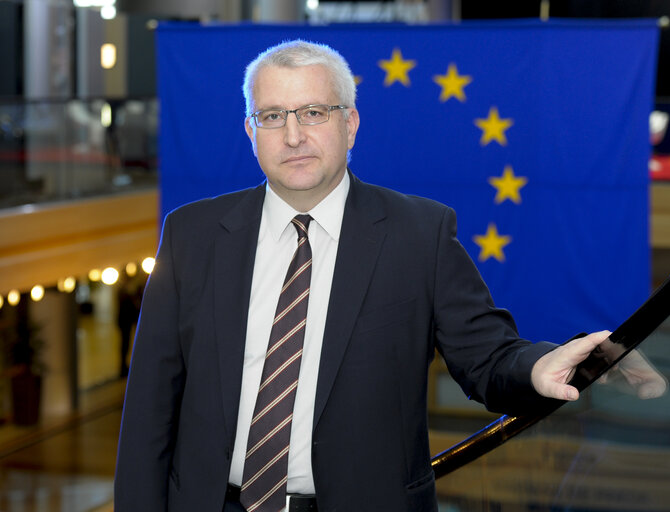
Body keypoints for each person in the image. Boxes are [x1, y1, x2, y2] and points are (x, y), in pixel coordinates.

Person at [114, 39, 610, 512]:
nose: (293, 135)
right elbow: (148, 414)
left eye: (313, 112)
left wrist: (536, 367)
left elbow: (487, 358)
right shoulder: (191, 234)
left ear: (350, 124)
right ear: (251, 132)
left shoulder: (420, 234)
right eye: (272, 116)